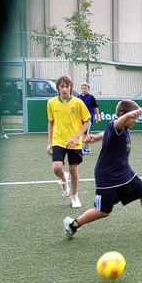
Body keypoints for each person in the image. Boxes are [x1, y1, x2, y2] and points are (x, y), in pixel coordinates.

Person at [63, 100, 142, 238]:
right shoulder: (117, 124)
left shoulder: (121, 127)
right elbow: (116, 124)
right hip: (108, 176)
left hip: (125, 173)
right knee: (103, 211)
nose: (134, 121)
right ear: (122, 115)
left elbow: (110, 130)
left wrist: (96, 137)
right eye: (133, 118)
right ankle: (72, 225)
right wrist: (128, 115)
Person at [47, 74, 91, 209]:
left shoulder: (78, 103)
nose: (64, 89)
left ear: (71, 88)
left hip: (74, 142)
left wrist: (77, 137)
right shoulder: (51, 102)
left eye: (67, 86)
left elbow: (87, 122)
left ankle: (75, 196)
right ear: (58, 88)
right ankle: (63, 179)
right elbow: (51, 122)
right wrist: (49, 142)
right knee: (57, 168)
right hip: (58, 140)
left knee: (73, 169)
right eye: (62, 86)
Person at [78, 82, 101, 154]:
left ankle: (87, 148)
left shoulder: (91, 97)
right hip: (80, 118)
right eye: (83, 88)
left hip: (88, 119)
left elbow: (96, 107)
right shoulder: (78, 97)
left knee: (85, 133)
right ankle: (80, 147)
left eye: (85, 88)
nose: (84, 90)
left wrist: (98, 117)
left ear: (88, 89)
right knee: (80, 133)